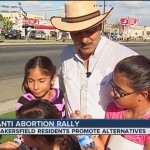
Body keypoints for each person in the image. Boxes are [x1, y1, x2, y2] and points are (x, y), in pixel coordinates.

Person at [50, 1, 138, 119]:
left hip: (107, 136)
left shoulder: (125, 57)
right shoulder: (66, 54)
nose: (85, 40)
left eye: (90, 31)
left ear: (100, 26)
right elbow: (58, 84)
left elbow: (142, 102)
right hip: (71, 135)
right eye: (77, 33)